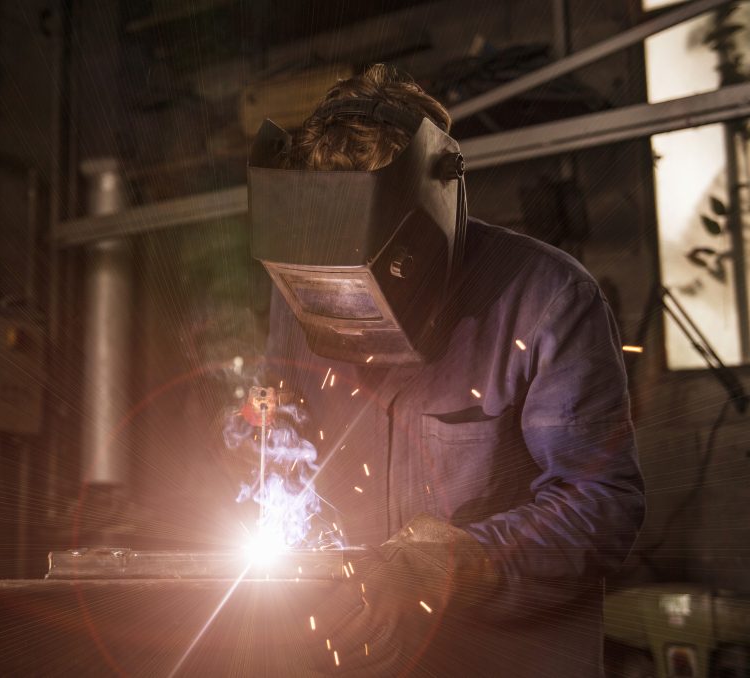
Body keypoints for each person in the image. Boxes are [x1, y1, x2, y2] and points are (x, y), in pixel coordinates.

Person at [244, 64, 646, 676]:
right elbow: (290, 432)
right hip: (351, 655)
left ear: (421, 230)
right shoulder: (296, 289)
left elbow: (602, 504)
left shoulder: (547, 299)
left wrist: (460, 565)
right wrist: (259, 442)